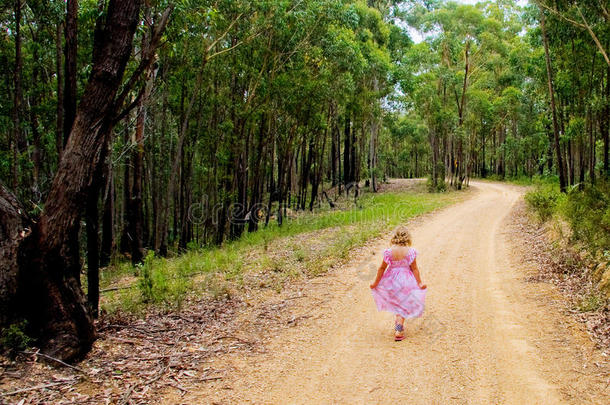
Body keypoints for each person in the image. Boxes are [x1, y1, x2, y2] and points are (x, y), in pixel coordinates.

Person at [370, 226, 427, 341]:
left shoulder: (389, 252)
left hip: (391, 281)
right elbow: (415, 269)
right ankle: (399, 329)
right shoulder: (410, 252)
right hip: (406, 281)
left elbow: (381, 268)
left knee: (398, 304)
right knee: (403, 305)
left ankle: (398, 325)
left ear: (394, 237)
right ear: (408, 238)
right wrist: (419, 283)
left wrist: (375, 283)